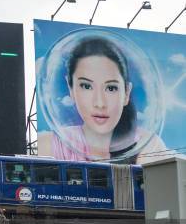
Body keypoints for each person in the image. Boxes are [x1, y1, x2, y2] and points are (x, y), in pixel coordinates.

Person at [38, 37, 166, 164]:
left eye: (111, 88)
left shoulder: (149, 146)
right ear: (71, 89)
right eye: (86, 86)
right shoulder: (48, 146)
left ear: (126, 93)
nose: (100, 103)